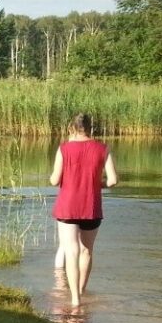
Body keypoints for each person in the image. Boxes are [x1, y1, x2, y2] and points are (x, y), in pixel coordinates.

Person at [50, 113, 118, 311]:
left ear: (72, 128)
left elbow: (54, 180)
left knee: (71, 251)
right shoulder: (103, 148)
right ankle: (81, 291)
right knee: (86, 251)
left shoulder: (64, 148)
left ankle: (74, 300)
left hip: (68, 206)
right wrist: (97, 184)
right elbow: (113, 180)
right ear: (91, 128)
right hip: (91, 205)